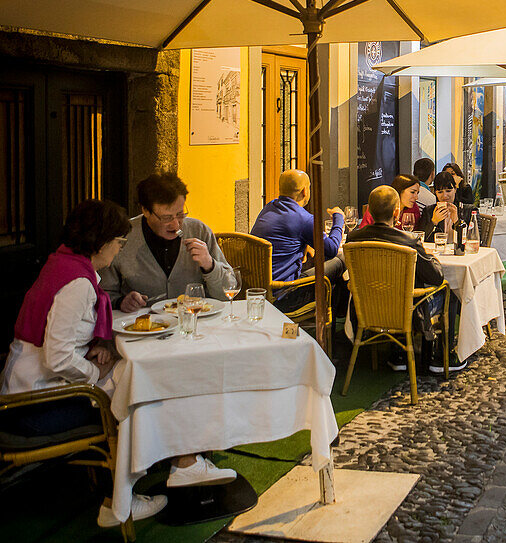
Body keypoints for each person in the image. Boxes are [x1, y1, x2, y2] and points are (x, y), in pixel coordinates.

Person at [0, 200, 234, 526]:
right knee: (139, 390)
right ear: (102, 241)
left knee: (138, 379)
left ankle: (178, 465)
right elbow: (57, 357)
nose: (120, 249)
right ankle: (141, 491)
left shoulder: (64, 265)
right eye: (119, 242)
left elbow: (57, 338)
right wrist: (95, 371)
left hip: (31, 393)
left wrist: (92, 349)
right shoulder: (77, 284)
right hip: (36, 407)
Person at [345, 185, 464, 373]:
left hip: (367, 307)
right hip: (407, 309)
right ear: (397, 210)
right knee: (450, 292)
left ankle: (398, 354)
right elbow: (435, 277)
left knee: (394, 289)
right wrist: (431, 257)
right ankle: (441, 356)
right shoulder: (407, 241)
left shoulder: (353, 238)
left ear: (369, 211)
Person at [100, 172, 232, 313]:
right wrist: (120, 301)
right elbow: (102, 293)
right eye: (166, 218)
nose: (175, 225)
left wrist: (209, 265)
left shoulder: (199, 231)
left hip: (196, 322)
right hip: (143, 326)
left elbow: (228, 292)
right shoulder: (122, 236)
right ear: (145, 210)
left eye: (180, 215)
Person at [250, 169, 346, 313]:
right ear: (304, 191)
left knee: (315, 257)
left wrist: (304, 245)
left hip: (260, 288)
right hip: (285, 294)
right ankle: (341, 317)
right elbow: (331, 248)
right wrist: (338, 218)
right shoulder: (304, 219)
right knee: (341, 259)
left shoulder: (269, 208)